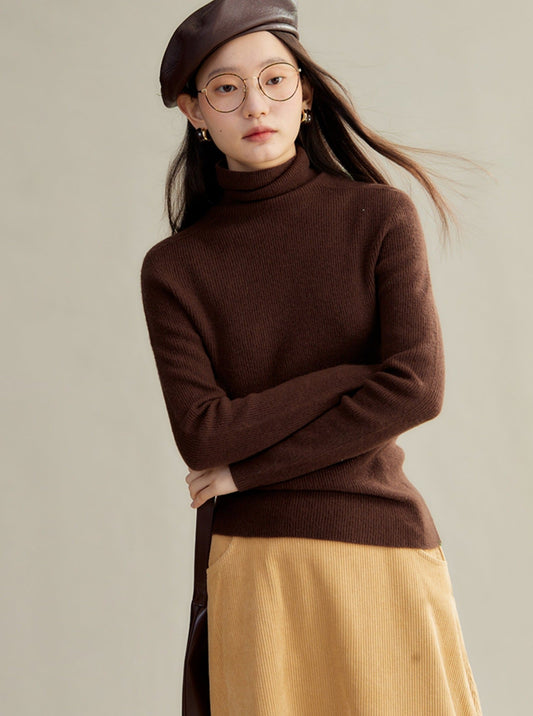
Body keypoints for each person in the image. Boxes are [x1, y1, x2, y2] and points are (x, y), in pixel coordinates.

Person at [140, 1, 483, 713]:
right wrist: (352, 378)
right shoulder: (175, 268)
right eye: (225, 88)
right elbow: (203, 434)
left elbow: (417, 391)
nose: (254, 104)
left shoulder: (379, 217)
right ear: (193, 112)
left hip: (381, 548)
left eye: (274, 79)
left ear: (305, 94)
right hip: (255, 566)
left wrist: (246, 472)